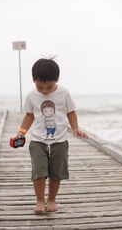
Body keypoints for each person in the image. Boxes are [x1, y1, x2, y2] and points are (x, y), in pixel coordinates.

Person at [16, 58, 88, 214]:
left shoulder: (64, 93)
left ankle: (51, 199)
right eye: (40, 86)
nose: (44, 90)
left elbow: (71, 111)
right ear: (34, 80)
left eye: (48, 87)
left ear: (56, 80)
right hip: (38, 140)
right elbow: (29, 115)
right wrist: (21, 132)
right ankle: (40, 200)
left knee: (56, 172)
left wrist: (75, 128)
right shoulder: (31, 95)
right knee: (39, 171)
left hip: (60, 140)